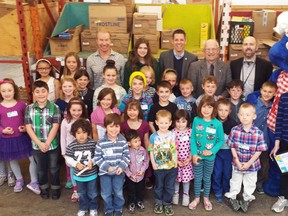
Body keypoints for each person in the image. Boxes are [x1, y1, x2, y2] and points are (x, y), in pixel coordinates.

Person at [224, 103, 267, 213]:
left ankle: (247, 198)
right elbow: (232, 146)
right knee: (235, 181)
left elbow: (259, 150)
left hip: (251, 164)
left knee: (250, 182)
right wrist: (237, 160)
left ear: (254, 116)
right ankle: (233, 196)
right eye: (242, 114)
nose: (244, 117)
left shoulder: (258, 133)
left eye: (247, 115)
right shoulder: (234, 130)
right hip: (237, 162)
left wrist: (248, 163)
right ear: (238, 115)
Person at [0, 78, 38, 194]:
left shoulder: (21, 105)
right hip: (7, 139)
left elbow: (27, 119)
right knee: (12, 160)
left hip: (23, 137)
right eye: (3, 91)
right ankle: (19, 179)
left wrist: (24, 127)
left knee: (32, 158)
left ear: (14, 91)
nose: (7, 93)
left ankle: (34, 181)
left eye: (9, 90)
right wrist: (3, 130)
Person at [25, 80, 62, 200]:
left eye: (43, 91)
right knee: (41, 169)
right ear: (33, 93)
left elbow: (55, 126)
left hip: (52, 145)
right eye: (37, 92)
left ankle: (56, 188)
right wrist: (39, 143)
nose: (40, 94)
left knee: (54, 168)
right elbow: (28, 128)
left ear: (48, 92)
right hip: (37, 146)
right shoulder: (29, 108)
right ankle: (44, 188)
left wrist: (47, 143)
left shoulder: (55, 107)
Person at [189, 95, 224, 211]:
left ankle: (206, 198)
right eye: (204, 106)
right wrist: (194, 154)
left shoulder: (218, 124)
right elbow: (193, 138)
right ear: (200, 107)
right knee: (198, 178)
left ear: (214, 109)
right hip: (197, 156)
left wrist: (211, 151)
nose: (206, 110)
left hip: (210, 157)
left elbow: (221, 141)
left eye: (209, 107)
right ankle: (197, 198)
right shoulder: (196, 120)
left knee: (207, 178)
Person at [94, 113, 130, 216]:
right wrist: (107, 167)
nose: (114, 130)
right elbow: (97, 158)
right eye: (111, 126)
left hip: (119, 173)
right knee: (106, 193)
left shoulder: (123, 141)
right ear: (105, 127)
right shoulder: (101, 142)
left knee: (118, 192)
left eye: (117, 126)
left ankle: (118, 209)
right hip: (105, 173)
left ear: (120, 127)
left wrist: (121, 167)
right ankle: (108, 210)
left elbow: (126, 156)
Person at [246, 81, 277, 194]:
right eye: (265, 91)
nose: (267, 94)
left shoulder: (273, 106)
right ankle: (247, 184)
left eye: (270, 92)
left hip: (264, 141)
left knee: (263, 164)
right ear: (260, 90)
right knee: (249, 161)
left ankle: (259, 183)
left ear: (275, 93)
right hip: (251, 139)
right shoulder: (254, 103)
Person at [65, 118, 98, 216]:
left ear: (88, 132)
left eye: (84, 132)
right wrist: (76, 164)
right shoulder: (72, 146)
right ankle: (83, 208)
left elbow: (98, 155)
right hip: (78, 176)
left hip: (92, 175)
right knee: (81, 193)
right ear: (74, 133)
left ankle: (93, 208)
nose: (81, 135)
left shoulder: (93, 143)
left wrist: (92, 162)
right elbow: (68, 158)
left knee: (93, 193)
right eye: (78, 133)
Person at [148, 110, 178, 216]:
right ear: (156, 122)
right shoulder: (153, 137)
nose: (163, 125)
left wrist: (175, 162)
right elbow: (151, 151)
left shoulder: (173, 135)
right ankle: (159, 203)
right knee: (159, 186)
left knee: (169, 187)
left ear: (170, 123)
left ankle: (167, 204)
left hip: (171, 167)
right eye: (161, 123)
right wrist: (153, 164)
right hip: (159, 167)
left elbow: (175, 149)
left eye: (166, 123)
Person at [60, 99, 88, 202]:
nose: (76, 113)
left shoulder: (86, 121)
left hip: (84, 151)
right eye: (74, 110)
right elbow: (62, 137)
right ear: (69, 110)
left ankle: (85, 188)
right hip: (70, 152)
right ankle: (75, 190)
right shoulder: (65, 121)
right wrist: (63, 152)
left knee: (83, 170)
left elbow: (88, 137)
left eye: (79, 110)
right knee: (73, 170)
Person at [120, 99, 151, 189]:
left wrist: (148, 152)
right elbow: (123, 141)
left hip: (141, 153)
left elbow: (146, 139)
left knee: (141, 169)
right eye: (129, 110)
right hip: (129, 154)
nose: (132, 112)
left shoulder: (144, 124)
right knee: (130, 169)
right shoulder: (124, 125)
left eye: (134, 110)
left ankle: (142, 184)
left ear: (139, 111)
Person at [212, 98, 237, 203]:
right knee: (217, 172)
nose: (223, 113)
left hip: (228, 152)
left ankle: (226, 189)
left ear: (230, 111)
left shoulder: (233, 123)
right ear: (216, 110)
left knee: (227, 172)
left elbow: (236, 139)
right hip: (216, 152)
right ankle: (217, 190)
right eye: (220, 110)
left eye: (226, 110)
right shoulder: (213, 121)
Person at [270, 91, 288, 213]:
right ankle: (284, 197)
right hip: (285, 141)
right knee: (285, 171)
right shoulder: (284, 97)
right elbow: (279, 121)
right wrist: (277, 144)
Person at [171, 110, 193, 207]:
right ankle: (175, 194)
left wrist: (190, 158)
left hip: (187, 160)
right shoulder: (172, 133)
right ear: (174, 121)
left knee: (186, 180)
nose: (180, 124)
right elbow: (170, 149)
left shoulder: (190, 132)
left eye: (183, 121)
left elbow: (193, 146)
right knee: (176, 179)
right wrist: (176, 161)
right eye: (178, 121)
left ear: (188, 121)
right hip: (176, 161)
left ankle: (186, 195)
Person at [125, 129, 149, 214]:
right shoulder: (126, 152)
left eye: (139, 140)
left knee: (140, 190)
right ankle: (131, 203)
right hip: (131, 177)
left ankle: (139, 201)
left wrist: (142, 171)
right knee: (130, 190)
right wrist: (130, 174)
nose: (138, 143)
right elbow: (125, 165)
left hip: (140, 176)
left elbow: (146, 161)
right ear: (129, 143)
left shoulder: (143, 150)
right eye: (135, 141)